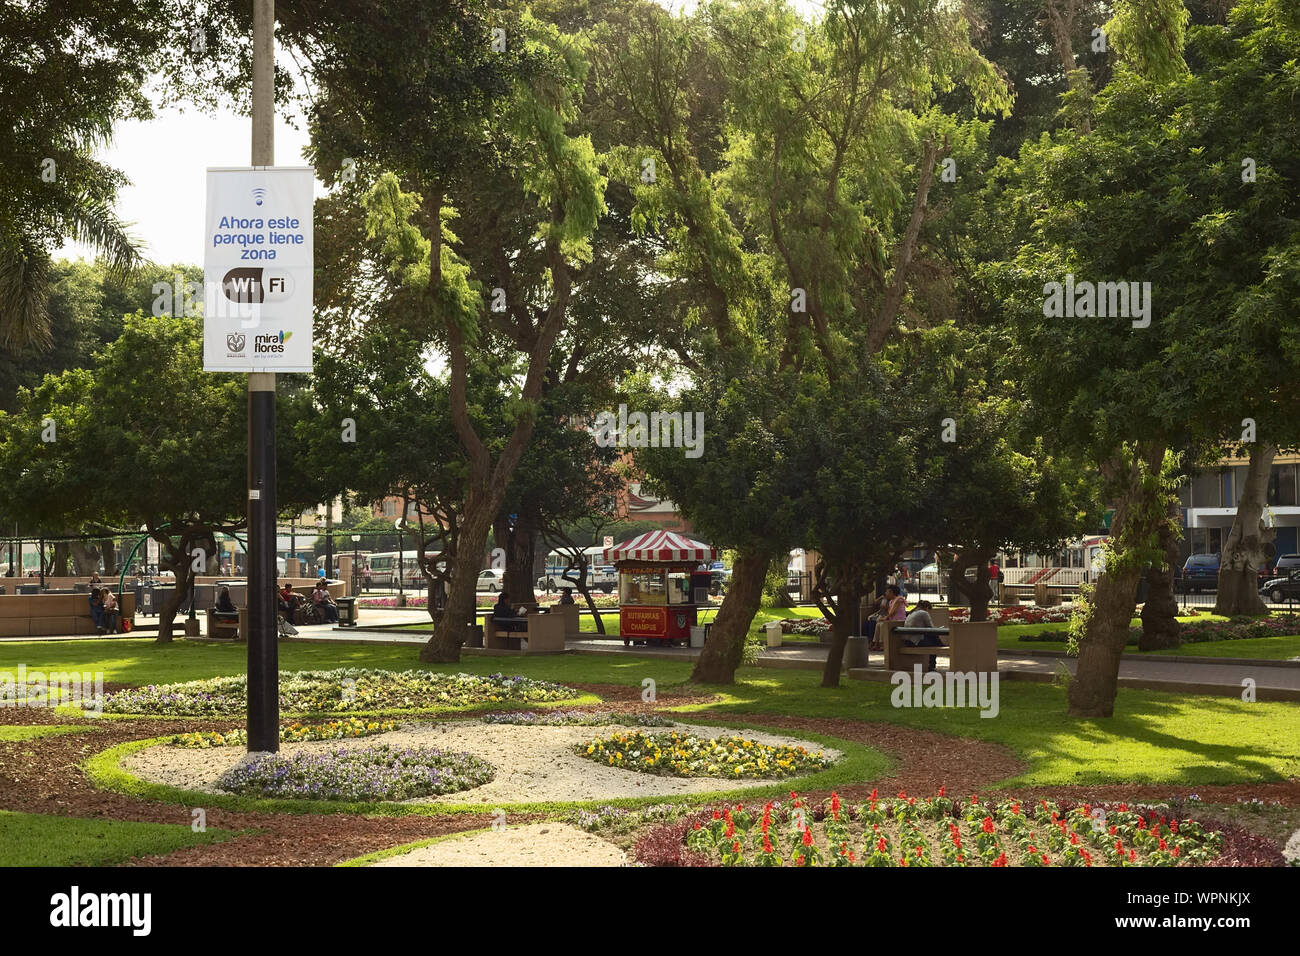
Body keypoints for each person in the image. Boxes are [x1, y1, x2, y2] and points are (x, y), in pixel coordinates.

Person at [902, 599, 945, 672]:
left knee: (933, 638)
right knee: (934, 643)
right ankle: (932, 665)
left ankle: (941, 646)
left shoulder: (911, 613)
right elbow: (931, 628)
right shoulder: (924, 613)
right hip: (915, 641)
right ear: (927, 607)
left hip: (907, 641)